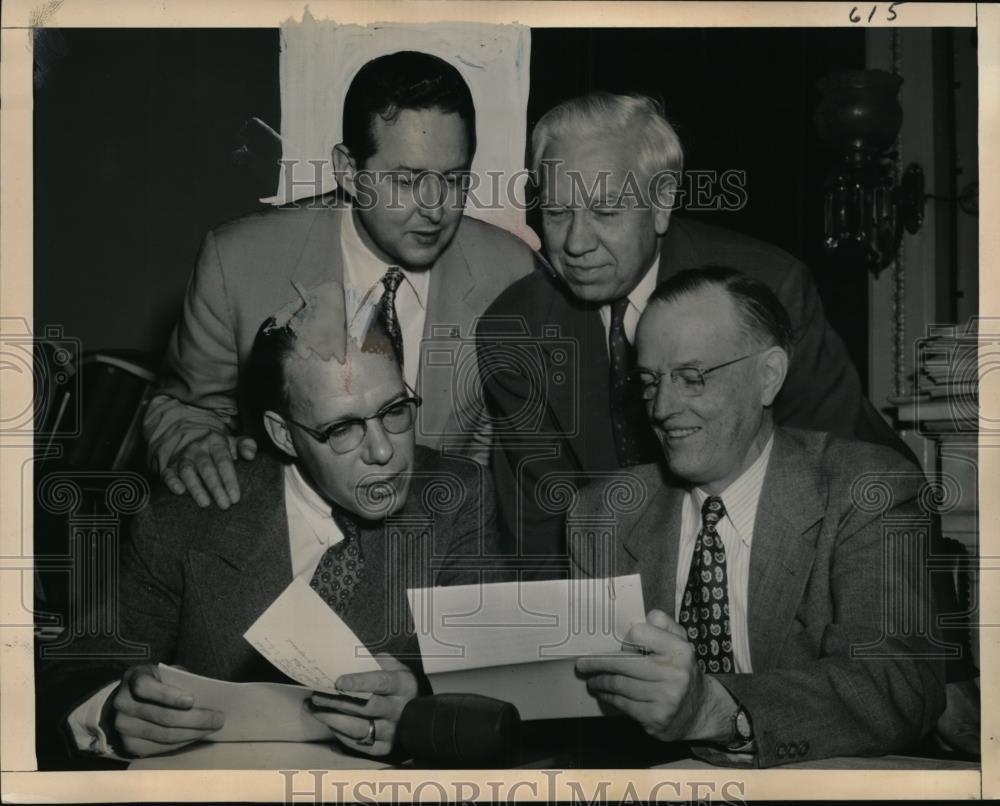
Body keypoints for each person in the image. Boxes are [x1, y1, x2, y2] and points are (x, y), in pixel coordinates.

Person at [40, 282, 501, 761]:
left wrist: (420, 713)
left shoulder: (459, 497)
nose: (383, 450)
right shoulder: (183, 518)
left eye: (394, 411)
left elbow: (494, 687)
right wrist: (112, 712)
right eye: (342, 428)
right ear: (282, 435)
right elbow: (72, 674)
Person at [476, 91, 913, 561]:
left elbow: (855, 478)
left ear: (662, 202)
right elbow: (540, 529)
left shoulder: (770, 287)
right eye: (558, 212)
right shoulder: (513, 328)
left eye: (605, 211)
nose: (576, 243)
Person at [569, 267, 945, 767]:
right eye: (649, 381)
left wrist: (713, 710)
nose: (662, 407)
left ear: (768, 376)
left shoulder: (865, 490)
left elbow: (895, 684)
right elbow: (584, 713)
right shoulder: (602, 514)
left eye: (691, 377)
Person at [145, 50, 535, 510]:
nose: (435, 208)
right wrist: (193, 445)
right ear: (348, 171)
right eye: (406, 181)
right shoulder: (237, 261)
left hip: (439, 544)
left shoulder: (513, 272)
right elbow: (184, 408)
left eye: (453, 179)